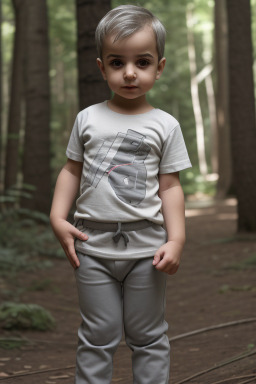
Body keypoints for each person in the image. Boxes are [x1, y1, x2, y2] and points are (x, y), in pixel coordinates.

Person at [50, 4, 191, 384]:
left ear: (159, 66)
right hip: (91, 247)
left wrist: (176, 239)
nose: (129, 73)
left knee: (147, 336)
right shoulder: (88, 119)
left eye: (142, 62)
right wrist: (57, 218)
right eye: (117, 62)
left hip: (148, 250)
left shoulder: (166, 125)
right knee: (98, 335)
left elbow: (171, 185)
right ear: (101, 67)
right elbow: (71, 170)